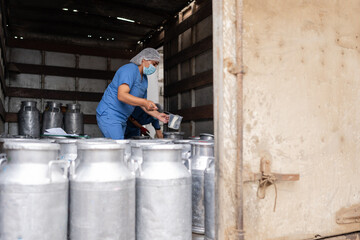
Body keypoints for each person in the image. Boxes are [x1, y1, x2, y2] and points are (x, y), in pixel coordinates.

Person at [96, 48, 168, 139]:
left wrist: (158, 115)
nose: (154, 68)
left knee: (118, 148)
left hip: (123, 118)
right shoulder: (129, 70)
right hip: (110, 114)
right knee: (118, 148)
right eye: (154, 64)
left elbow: (142, 104)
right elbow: (121, 95)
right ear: (144, 59)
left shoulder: (144, 79)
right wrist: (144, 102)